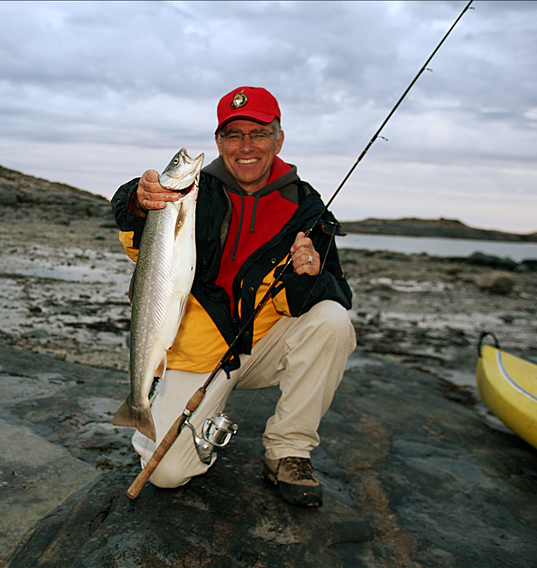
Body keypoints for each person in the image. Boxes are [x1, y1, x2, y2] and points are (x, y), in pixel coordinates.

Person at [110, 86, 356, 507]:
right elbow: (139, 235)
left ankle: (288, 451)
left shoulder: (307, 206)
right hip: (197, 353)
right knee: (166, 476)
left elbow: (330, 292)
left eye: (258, 133)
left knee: (332, 320)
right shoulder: (190, 192)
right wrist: (137, 198)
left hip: (261, 348)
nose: (246, 146)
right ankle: (159, 413)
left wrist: (310, 273)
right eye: (233, 134)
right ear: (219, 141)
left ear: (278, 138)